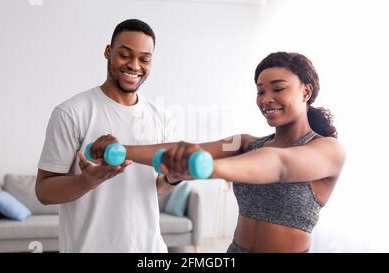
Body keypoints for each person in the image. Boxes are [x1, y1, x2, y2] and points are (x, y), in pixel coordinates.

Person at [88, 52, 346, 253]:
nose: (266, 98)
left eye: (278, 88)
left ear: (306, 91)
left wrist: (207, 168)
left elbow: (280, 165)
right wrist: (121, 150)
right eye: (260, 91)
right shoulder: (244, 144)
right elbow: (190, 148)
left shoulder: (327, 150)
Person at [36, 19, 180, 253]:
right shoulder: (71, 112)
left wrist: (174, 179)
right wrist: (87, 181)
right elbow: (43, 192)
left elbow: (154, 188)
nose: (134, 65)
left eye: (144, 58)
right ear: (108, 52)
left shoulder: (161, 117)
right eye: (125, 55)